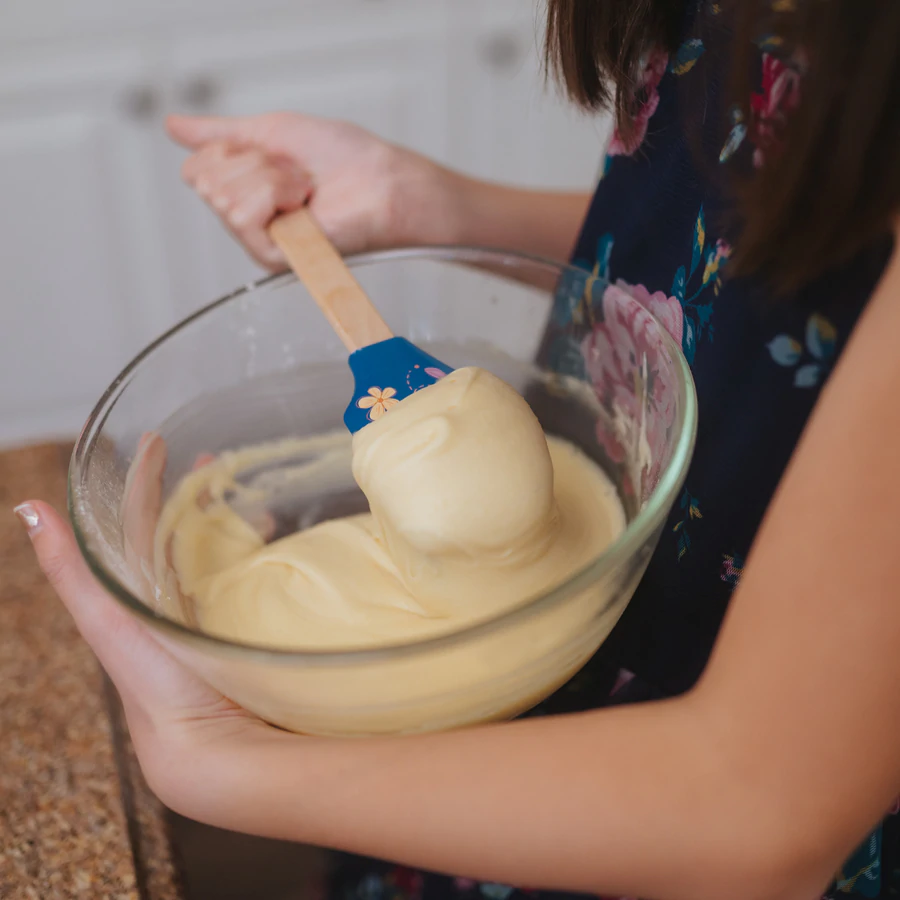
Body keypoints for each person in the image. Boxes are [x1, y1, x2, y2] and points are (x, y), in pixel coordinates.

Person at [15, 1, 900, 897]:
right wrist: (444, 209)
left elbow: (754, 814)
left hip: (673, 796)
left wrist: (213, 761)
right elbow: (771, 253)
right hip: (512, 723)